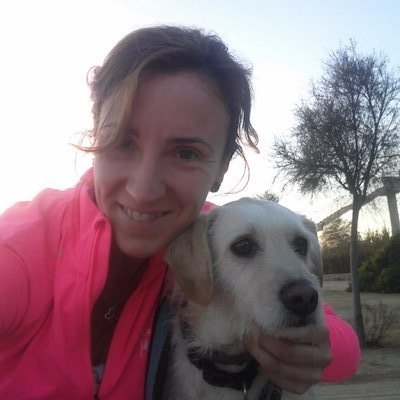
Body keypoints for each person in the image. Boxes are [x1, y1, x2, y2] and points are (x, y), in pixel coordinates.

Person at [0, 26, 360, 400]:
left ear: (222, 166)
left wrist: (312, 354)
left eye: (186, 153)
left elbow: (341, 345)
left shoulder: (205, 230)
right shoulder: (26, 243)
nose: (143, 191)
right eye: (123, 142)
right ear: (95, 134)